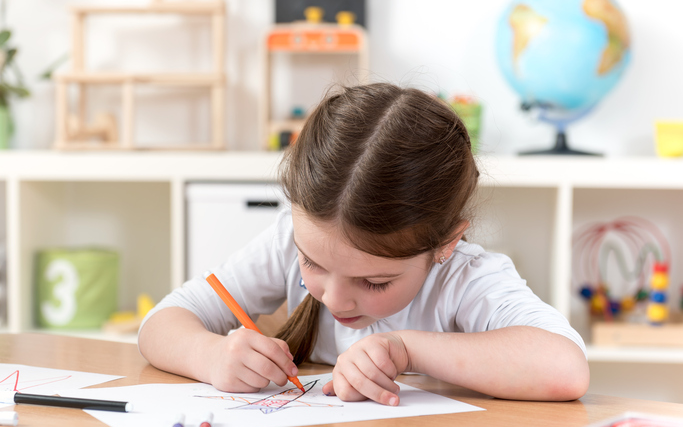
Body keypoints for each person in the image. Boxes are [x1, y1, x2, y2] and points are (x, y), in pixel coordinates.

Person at [138, 83, 589, 406]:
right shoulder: (284, 239)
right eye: (311, 262)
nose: (332, 297)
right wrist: (211, 354)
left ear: (445, 243)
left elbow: (564, 369)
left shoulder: (464, 277)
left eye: (374, 281)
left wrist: (406, 349)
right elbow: (159, 325)